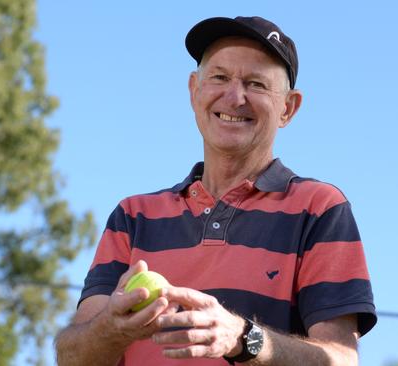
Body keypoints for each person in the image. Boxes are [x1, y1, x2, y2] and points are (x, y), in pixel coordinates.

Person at [55, 16, 376, 365]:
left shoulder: (319, 208)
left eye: (256, 84)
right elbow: (73, 357)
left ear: (288, 108)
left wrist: (243, 338)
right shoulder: (133, 216)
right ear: (195, 90)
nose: (235, 97)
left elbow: (340, 360)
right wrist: (112, 328)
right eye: (220, 77)